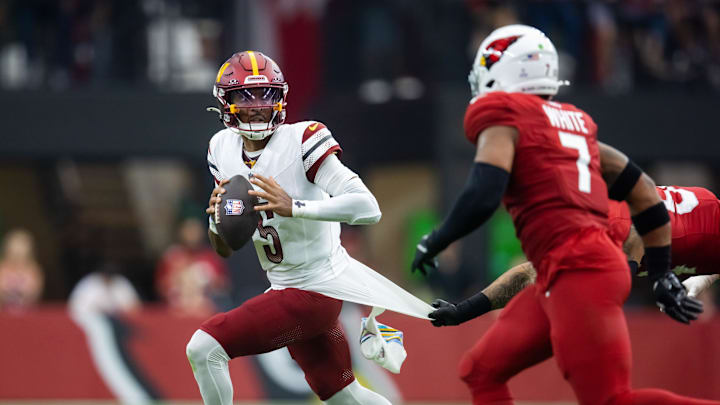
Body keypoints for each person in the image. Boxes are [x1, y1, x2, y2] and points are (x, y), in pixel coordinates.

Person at [411, 25, 717, 405]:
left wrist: (438, 239)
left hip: (582, 271)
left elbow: (483, 191)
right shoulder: (572, 124)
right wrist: (464, 310)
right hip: (565, 269)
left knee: (610, 400)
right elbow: (642, 190)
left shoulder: (506, 115)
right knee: (481, 369)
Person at [186, 50, 433, 405]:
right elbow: (224, 247)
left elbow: (368, 207)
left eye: (265, 94)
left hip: (315, 289)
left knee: (204, 347)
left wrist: (295, 207)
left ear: (281, 98)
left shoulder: (302, 140)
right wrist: (217, 222)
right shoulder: (221, 148)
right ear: (225, 102)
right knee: (343, 396)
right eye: (245, 95)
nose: (256, 105)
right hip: (287, 287)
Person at [452, 185, 720, 314]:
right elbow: (525, 275)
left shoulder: (602, 218)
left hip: (706, 226)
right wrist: (463, 311)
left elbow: (634, 235)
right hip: (696, 245)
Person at [0, 229, 43, 311]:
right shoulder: (2, 268)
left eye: (21, 246)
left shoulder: (33, 270)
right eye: (15, 247)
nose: (18, 251)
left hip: (27, 314)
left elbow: (35, 293)